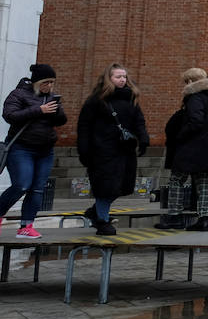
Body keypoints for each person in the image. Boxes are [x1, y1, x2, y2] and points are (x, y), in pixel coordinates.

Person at [76, 63, 149, 236]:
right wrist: (84, 150)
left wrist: (144, 139)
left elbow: (139, 121)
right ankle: (102, 220)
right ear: (109, 79)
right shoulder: (96, 100)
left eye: (124, 76)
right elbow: (84, 126)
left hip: (125, 149)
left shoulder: (131, 99)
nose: (122, 80)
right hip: (102, 150)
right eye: (118, 77)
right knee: (106, 186)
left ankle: (95, 211)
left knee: (123, 186)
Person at [1, 63, 67, 238]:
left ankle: (26, 226)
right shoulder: (19, 94)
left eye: (52, 82)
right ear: (36, 82)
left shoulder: (51, 97)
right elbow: (10, 115)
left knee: (38, 189)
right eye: (46, 82)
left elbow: (61, 121)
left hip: (45, 150)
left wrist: (57, 111)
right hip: (21, 147)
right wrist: (38, 110)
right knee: (22, 184)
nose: (49, 86)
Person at [157, 68, 208, 231]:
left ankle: (174, 216)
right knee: (204, 183)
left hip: (192, 147)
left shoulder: (195, 98)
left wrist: (181, 136)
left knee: (176, 180)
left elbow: (196, 121)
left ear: (190, 82)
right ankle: (203, 219)